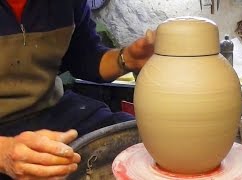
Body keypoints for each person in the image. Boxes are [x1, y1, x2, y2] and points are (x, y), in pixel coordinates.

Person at [0, 0, 155, 179]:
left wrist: (127, 58)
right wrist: (5, 152)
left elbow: (84, 57)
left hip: (50, 107)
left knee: (139, 139)